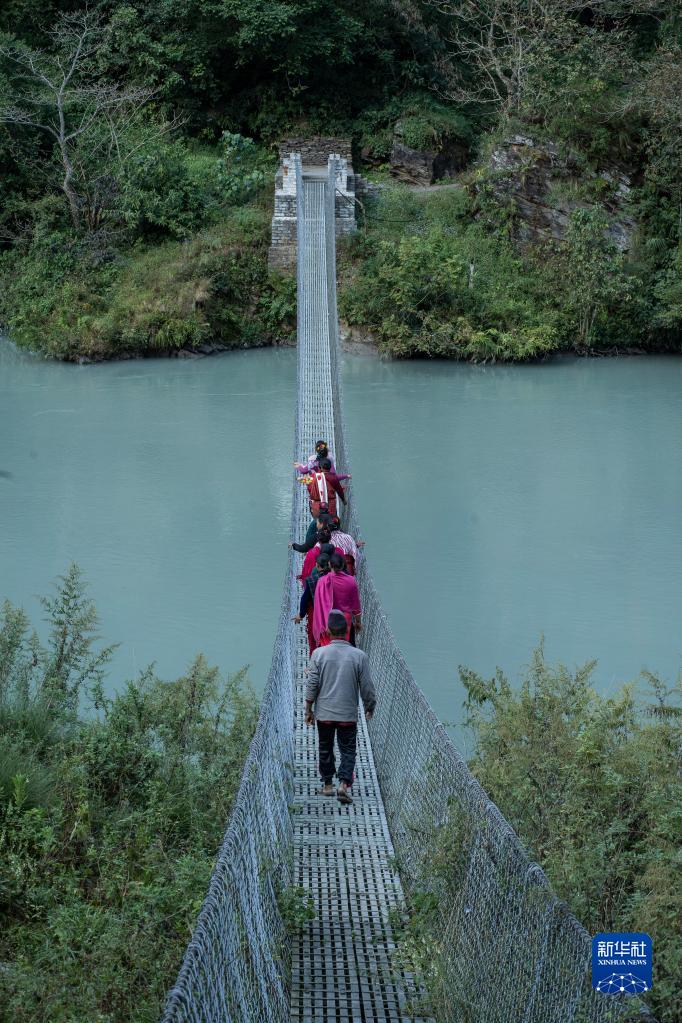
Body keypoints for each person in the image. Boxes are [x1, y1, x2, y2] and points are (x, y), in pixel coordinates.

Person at [305, 609, 376, 804]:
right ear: (347, 631)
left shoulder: (318, 654)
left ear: (328, 631)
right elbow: (367, 686)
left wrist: (308, 709)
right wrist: (370, 706)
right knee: (348, 750)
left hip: (324, 714)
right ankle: (343, 785)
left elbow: (312, 683)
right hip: (347, 715)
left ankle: (328, 785)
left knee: (325, 747)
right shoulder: (359, 656)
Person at [313, 551, 361, 646]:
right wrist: (358, 622)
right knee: (343, 646)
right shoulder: (351, 580)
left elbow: (318, 605)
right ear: (343, 564)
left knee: (327, 648)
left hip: (327, 621)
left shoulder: (322, 581)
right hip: (344, 621)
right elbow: (356, 606)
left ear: (329, 564)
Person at [293, 552, 331, 654]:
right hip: (333, 614)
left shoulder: (312, 580)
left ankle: (315, 660)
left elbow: (305, 598)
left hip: (317, 614)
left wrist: (301, 615)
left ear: (317, 565)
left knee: (315, 641)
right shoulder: (335, 578)